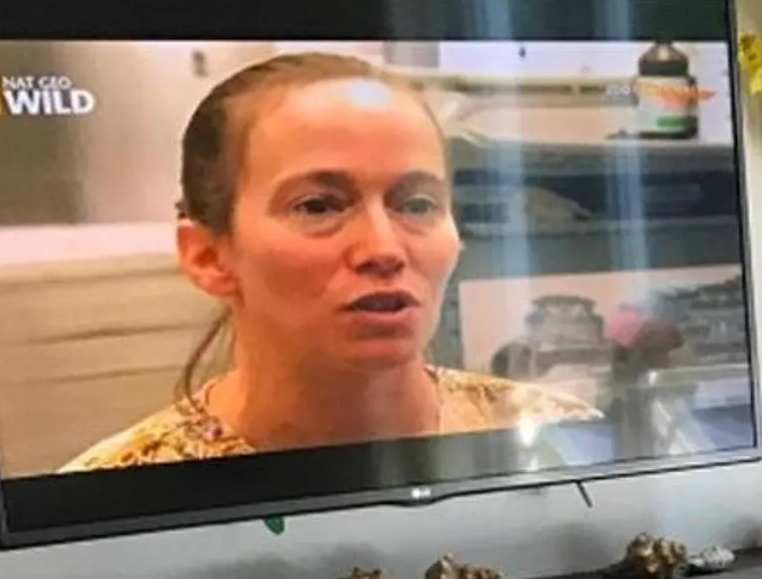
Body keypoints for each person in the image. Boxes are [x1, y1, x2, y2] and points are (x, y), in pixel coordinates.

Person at [64, 51, 597, 469]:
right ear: (207, 255)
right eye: (318, 206)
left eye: (416, 205)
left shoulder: (562, 443)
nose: (384, 250)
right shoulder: (114, 492)